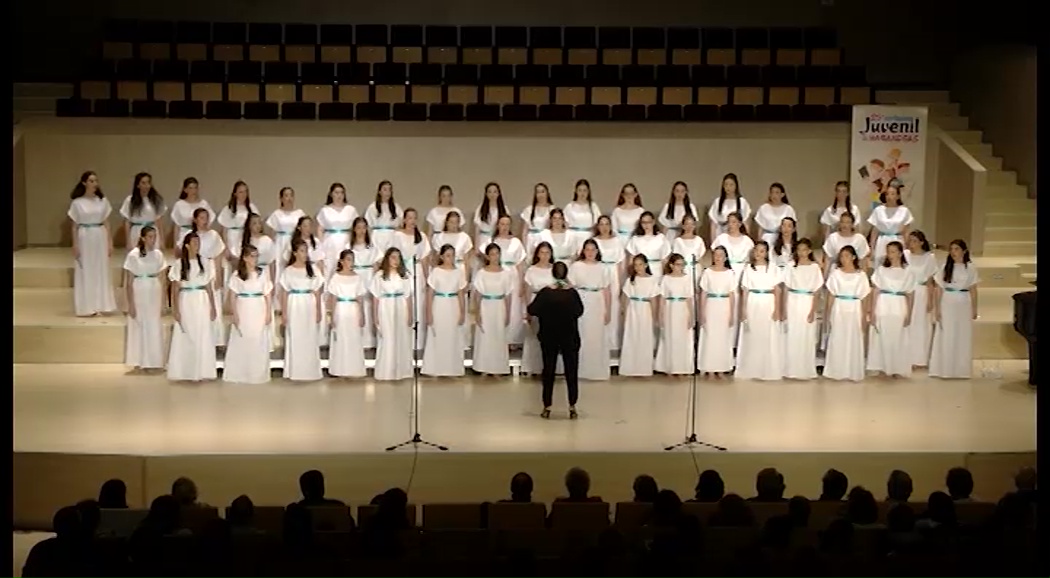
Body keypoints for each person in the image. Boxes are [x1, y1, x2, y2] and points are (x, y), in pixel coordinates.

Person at [527, 261, 585, 419]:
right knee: (571, 372)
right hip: (570, 337)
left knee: (548, 372)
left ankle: (547, 406)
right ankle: (572, 406)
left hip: (549, 336)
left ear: (552, 273)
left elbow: (532, 309)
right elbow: (580, 311)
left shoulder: (545, 293)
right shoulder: (572, 293)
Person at [167, 231, 217, 382]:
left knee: (202, 334)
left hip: (201, 300)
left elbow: (208, 286)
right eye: (194, 243)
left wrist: (213, 306)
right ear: (187, 246)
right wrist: (175, 309)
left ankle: (203, 371)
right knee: (187, 334)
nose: (197, 245)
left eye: (199, 242)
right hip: (186, 300)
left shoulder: (206, 262)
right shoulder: (179, 264)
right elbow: (175, 288)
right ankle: (185, 371)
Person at [68, 171, 118, 317]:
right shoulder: (77, 203)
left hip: (99, 236)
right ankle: (87, 306)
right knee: (86, 269)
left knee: (100, 269)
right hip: (84, 236)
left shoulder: (102, 201)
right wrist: (75, 244)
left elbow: (107, 223)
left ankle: (101, 305)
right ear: (84, 183)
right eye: (91, 181)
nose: (94, 184)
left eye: (96, 180)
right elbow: (74, 225)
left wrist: (110, 241)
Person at [929, 240, 980, 379]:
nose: (953, 252)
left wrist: (974, 309)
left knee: (962, 334)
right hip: (948, 302)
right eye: (951, 249)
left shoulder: (970, 268)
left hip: (963, 303)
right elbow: (938, 289)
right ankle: (944, 368)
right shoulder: (945, 267)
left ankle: (961, 370)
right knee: (947, 333)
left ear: (964, 251)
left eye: (956, 249)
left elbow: (973, 289)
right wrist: (937, 308)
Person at [223, 244, 273, 384]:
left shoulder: (263, 274)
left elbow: (268, 294)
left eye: (257, 256)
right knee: (243, 338)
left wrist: (269, 312)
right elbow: (232, 296)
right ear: (245, 258)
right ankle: (240, 373)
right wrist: (235, 314)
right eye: (252, 256)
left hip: (258, 307)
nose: (255, 259)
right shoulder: (237, 275)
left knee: (257, 338)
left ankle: (257, 373)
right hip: (243, 307)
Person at [735, 241, 784, 380]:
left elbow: (777, 290)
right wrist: (743, 310)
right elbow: (745, 290)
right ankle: (751, 368)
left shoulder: (773, 268)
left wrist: (777, 309)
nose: (758, 253)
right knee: (753, 334)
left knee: (767, 335)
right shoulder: (748, 269)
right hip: (753, 302)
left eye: (762, 251)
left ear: (767, 253)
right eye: (756, 250)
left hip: (768, 302)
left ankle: (767, 369)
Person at [867, 241, 916, 378]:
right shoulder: (881, 270)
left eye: (893, 251)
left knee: (897, 336)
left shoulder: (908, 272)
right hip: (883, 304)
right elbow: (875, 291)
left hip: (899, 304)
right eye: (888, 251)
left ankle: (897, 368)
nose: (890, 254)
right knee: (882, 335)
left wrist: (910, 314)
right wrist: (872, 310)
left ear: (900, 253)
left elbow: (911, 294)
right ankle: (882, 366)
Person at [823, 246, 872, 381]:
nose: (843, 259)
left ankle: (852, 371)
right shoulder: (836, 273)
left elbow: (865, 297)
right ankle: (836, 371)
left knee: (853, 338)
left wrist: (864, 316)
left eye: (846, 256)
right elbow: (831, 295)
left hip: (854, 308)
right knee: (838, 337)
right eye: (842, 256)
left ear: (853, 257)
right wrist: (828, 313)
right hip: (839, 308)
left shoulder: (861, 275)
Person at [124, 226, 167, 372]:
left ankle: (154, 361)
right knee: (139, 324)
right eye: (149, 236)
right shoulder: (133, 255)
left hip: (153, 289)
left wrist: (163, 302)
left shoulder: (158, 255)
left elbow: (163, 278)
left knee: (154, 324)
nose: (152, 240)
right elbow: (128, 282)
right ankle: (139, 360)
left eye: (154, 236)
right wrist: (130, 304)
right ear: (142, 238)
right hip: (139, 289)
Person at [280, 239, 324, 382]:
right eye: (302, 251)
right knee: (296, 336)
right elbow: (284, 293)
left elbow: (317, 291)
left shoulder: (313, 269)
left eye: (306, 251)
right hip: (295, 304)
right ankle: (295, 370)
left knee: (309, 335)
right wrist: (284, 313)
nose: (305, 254)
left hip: (308, 303)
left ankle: (310, 370)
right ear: (295, 253)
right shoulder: (288, 271)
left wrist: (318, 310)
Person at [569, 239, 613, 380]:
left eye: (593, 250)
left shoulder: (603, 267)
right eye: (587, 249)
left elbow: (607, 290)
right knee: (581, 334)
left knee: (597, 335)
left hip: (597, 301)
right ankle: (580, 370)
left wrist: (608, 310)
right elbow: (570, 286)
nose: (590, 253)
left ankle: (597, 370)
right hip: (581, 300)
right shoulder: (576, 266)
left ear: (597, 251)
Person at [421, 245, 467, 377]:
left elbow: (460, 294)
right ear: (441, 256)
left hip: (453, 306)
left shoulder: (459, 272)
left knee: (452, 336)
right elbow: (430, 294)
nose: (450, 258)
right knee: (438, 335)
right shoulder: (436, 271)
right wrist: (429, 313)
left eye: (452, 255)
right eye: (447, 255)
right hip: (439, 305)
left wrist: (462, 312)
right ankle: (435, 368)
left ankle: (452, 369)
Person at [392, 208, 432, 351]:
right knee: (405, 303)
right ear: (404, 220)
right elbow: (393, 256)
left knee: (418, 304)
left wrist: (428, 279)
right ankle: (404, 342)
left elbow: (426, 258)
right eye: (409, 218)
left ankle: (418, 343)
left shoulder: (422, 237)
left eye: (415, 218)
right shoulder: (397, 236)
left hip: (418, 271)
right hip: (403, 271)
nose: (412, 221)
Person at [782, 239, 823, 380]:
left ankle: (804, 369)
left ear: (809, 251)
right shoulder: (791, 266)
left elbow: (817, 291)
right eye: (799, 249)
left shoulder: (815, 268)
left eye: (804, 249)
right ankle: (789, 369)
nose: (801, 252)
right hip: (793, 301)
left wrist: (813, 310)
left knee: (806, 335)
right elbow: (786, 288)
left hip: (807, 301)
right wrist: (783, 308)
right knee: (793, 334)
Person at [371, 247, 414, 381]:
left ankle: (402, 371)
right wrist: (375, 317)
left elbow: (408, 296)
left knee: (401, 337)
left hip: (400, 306)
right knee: (388, 338)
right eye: (393, 257)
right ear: (387, 259)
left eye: (398, 258)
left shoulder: (405, 275)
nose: (396, 260)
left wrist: (410, 314)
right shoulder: (380, 275)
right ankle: (386, 371)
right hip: (386, 307)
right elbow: (376, 297)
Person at [325, 249, 368, 379]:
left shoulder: (357, 277)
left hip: (353, 310)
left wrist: (362, 314)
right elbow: (332, 298)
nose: (351, 262)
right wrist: (331, 316)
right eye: (348, 259)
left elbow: (360, 298)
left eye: (352, 259)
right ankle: (339, 368)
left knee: (353, 337)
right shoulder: (336, 277)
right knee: (341, 338)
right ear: (342, 261)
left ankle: (354, 368)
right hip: (340, 309)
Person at [472, 243, 513, 376]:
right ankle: (483, 366)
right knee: (485, 336)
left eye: (497, 254)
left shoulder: (506, 273)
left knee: (498, 336)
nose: (495, 257)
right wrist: (477, 312)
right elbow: (477, 295)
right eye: (492, 254)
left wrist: (507, 313)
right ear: (488, 256)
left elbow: (508, 295)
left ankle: (498, 368)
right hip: (486, 305)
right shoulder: (482, 273)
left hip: (499, 306)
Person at [697, 246, 737, 378]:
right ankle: (708, 367)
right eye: (716, 255)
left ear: (725, 257)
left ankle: (721, 368)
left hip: (724, 306)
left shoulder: (730, 273)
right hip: (711, 306)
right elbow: (703, 293)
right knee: (710, 336)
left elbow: (732, 294)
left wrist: (732, 314)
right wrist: (702, 312)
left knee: (722, 337)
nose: (718, 258)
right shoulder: (707, 272)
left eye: (721, 255)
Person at [190, 207, 228, 345]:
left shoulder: (213, 235)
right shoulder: (191, 236)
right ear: (195, 220)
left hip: (211, 269)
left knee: (214, 303)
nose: (204, 221)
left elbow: (218, 257)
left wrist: (218, 276)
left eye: (206, 218)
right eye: (201, 218)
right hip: (196, 270)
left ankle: (216, 339)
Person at [619, 255, 661, 377]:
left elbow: (653, 300)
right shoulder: (630, 280)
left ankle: (643, 368)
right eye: (636, 265)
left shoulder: (652, 280)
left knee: (644, 337)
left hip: (645, 310)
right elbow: (625, 298)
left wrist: (654, 317)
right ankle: (629, 368)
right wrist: (624, 313)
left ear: (646, 265)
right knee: (632, 337)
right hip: (633, 310)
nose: (638, 267)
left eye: (640, 264)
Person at [655, 253, 695, 376]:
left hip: (682, 310)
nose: (681, 267)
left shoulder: (687, 278)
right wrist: (660, 315)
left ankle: (682, 368)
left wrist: (691, 316)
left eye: (683, 264)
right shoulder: (666, 279)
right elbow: (662, 299)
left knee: (682, 339)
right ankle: (670, 368)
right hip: (670, 310)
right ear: (671, 265)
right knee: (670, 338)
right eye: (678, 265)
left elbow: (689, 298)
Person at [490, 215, 527, 346]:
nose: (504, 227)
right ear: (498, 226)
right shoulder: (493, 241)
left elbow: (520, 264)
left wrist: (522, 282)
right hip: (497, 274)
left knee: (514, 307)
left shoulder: (516, 242)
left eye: (507, 224)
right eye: (502, 224)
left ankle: (513, 339)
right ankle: (498, 338)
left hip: (513, 275)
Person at [521, 242, 556, 376]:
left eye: (547, 253)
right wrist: (527, 309)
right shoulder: (531, 270)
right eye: (542, 252)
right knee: (534, 335)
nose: (545, 255)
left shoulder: (554, 269)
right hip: (536, 303)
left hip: (552, 305)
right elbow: (527, 291)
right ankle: (533, 367)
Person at [265, 187, 306, 300]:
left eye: (291, 195)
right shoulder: (276, 214)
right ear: (281, 198)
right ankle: (278, 300)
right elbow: (271, 232)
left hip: (294, 242)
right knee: (280, 268)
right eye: (286, 196)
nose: (289, 198)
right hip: (280, 242)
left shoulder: (299, 213)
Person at [904, 230, 937, 369]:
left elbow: (930, 281)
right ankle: (906, 358)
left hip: (922, 293)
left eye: (914, 241)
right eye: (910, 240)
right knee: (908, 324)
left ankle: (920, 359)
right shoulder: (905, 255)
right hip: (907, 292)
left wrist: (930, 300)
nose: (911, 244)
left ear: (922, 242)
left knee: (921, 325)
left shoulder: (929, 257)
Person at [593, 215, 626, 354]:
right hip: (599, 272)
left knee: (614, 307)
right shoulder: (593, 241)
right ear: (598, 226)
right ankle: (599, 341)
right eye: (602, 224)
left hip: (613, 275)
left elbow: (620, 263)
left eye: (607, 224)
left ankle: (613, 343)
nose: (604, 227)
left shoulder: (617, 241)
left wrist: (621, 282)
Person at [216, 181, 259, 285]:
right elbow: (224, 229)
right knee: (231, 267)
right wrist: (226, 247)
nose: (243, 194)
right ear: (235, 193)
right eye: (240, 192)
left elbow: (257, 225)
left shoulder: (251, 208)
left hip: (246, 238)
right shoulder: (229, 209)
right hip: (232, 239)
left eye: (245, 192)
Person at [316, 182, 359, 281]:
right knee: (330, 267)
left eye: (341, 193)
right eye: (336, 192)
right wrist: (321, 246)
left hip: (346, 241)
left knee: (345, 266)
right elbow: (320, 229)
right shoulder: (325, 210)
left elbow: (356, 227)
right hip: (330, 243)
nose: (339, 195)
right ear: (331, 194)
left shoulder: (351, 210)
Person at [867, 180, 914, 266]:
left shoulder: (904, 211)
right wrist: (872, 247)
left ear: (898, 196)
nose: (889, 196)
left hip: (898, 241)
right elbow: (874, 231)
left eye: (892, 194)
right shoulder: (879, 210)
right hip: (882, 241)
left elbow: (906, 232)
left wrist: (907, 247)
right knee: (881, 265)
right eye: (887, 194)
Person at [349, 217, 379, 350]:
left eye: (364, 227)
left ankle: (370, 340)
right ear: (354, 229)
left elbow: (377, 263)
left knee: (368, 305)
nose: (361, 231)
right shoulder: (349, 247)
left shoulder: (371, 247)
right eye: (359, 228)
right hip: (355, 277)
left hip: (368, 276)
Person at [119, 172, 167, 250]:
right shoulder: (130, 200)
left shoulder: (156, 200)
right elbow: (127, 222)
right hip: (136, 232)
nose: (146, 186)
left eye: (148, 183)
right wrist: (128, 241)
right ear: (138, 185)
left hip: (152, 231)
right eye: (143, 183)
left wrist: (162, 240)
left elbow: (159, 221)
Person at [625, 210, 671, 283]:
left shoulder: (661, 238)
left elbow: (664, 260)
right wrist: (631, 275)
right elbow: (631, 260)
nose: (646, 225)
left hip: (657, 271)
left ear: (653, 222)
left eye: (648, 222)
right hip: (640, 271)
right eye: (643, 222)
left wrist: (666, 276)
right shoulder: (635, 239)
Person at [170, 177, 215, 251]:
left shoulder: (203, 204)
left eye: (195, 188)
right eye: (190, 188)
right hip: (184, 235)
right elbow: (176, 226)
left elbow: (208, 223)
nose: (193, 191)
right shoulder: (179, 205)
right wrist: (175, 244)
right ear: (185, 190)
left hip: (200, 235)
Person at [707, 173, 751, 242]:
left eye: (731, 185)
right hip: (721, 233)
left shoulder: (742, 202)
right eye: (726, 185)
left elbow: (745, 223)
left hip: (736, 235)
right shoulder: (718, 201)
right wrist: (713, 241)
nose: (728, 187)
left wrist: (747, 239)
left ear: (736, 186)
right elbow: (713, 224)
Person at [364, 180, 403, 254]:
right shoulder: (373, 207)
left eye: (389, 190)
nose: (387, 192)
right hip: (377, 237)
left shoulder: (396, 207)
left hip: (392, 236)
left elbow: (401, 224)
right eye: (385, 189)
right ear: (379, 192)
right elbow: (367, 225)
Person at [753, 182, 797, 247]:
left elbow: (793, 227)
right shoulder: (764, 208)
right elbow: (760, 227)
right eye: (772, 192)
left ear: (782, 194)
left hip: (782, 239)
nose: (774, 195)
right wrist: (759, 241)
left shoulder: (788, 209)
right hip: (767, 238)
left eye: (777, 193)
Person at [563, 179, 602, 249]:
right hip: (573, 237)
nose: (582, 193)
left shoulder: (593, 206)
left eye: (585, 190)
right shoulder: (570, 206)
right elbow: (565, 224)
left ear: (588, 192)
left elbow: (598, 223)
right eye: (580, 190)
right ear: (576, 191)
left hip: (589, 237)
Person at [472, 182, 508, 256]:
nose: (492, 194)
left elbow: (507, 227)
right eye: (489, 192)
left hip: (498, 239)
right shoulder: (480, 209)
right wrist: (476, 247)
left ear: (499, 194)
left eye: (495, 192)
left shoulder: (504, 209)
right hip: (483, 238)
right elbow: (477, 229)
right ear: (486, 194)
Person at [519, 183, 555, 254]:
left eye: (543, 191)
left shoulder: (552, 209)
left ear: (547, 193)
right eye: (538, 192)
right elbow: (524, 231)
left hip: (545, 239)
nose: (540, 195)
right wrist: (524, 246)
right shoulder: (529, 209)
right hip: (531, 240)